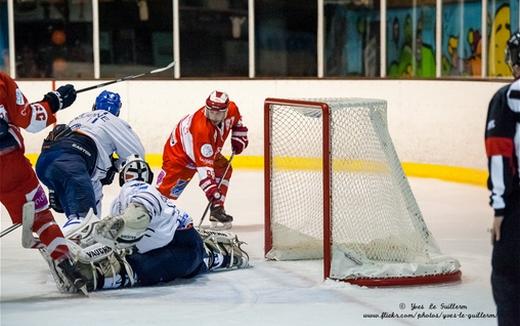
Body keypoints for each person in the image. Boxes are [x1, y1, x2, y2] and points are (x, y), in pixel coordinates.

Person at [31, 155, 249, 292]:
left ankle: (93, 277)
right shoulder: (127, 201)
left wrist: (123, 221)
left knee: (136, 267)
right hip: (187, 246)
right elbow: (120, 235)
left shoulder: (135, 188)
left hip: (178, 247)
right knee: (186, 261)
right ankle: (222, 254)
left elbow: (139, 212)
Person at [0, 72, 87, 292]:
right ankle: (65, 263)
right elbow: (27, 119)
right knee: (40, 216)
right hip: (10, 166)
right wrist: (54, 102)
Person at [35, 90, 145, 237]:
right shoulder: (113, 120)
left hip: (46, 161)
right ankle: (61, 241)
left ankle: (89, 241)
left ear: (94, 105)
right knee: (83, 219)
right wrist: (115, 165)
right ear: (117, 111)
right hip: (72, 162)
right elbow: (136, 156)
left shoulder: (79, 118)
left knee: (91, 211)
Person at [156, 90, 249, 229]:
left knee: (224, 169)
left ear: (226, 110)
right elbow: (205, 172)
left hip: (209, 150)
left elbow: (237, 121)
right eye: (211, 112)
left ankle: (217, 209)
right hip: (180, 156)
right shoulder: (202, 128)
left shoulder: (232, 109)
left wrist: (239, 135)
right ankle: (150, 214)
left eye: (218, 113)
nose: (214, 116)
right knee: (164, 193)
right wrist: (212, 190)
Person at [484, 31, 520, 326]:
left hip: (518, 209)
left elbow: (499, 152)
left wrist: (500, 209)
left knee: (508, 280)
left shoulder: (508, 97)